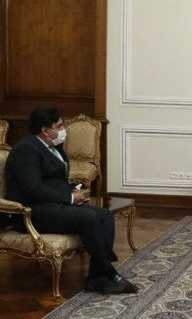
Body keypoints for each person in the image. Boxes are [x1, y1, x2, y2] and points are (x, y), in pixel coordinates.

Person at [5, 108, 138, 294]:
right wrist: (69, 198)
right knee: (89, 218)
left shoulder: (52, 146)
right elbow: (33, 189)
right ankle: (109, 272)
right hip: (31, 212)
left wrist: (72, 191)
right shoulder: (26, 150)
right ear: (45, 130)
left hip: (53, 205)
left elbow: (54, 179)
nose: (63, 130)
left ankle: (95, 277)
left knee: (105, 216)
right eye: (59, 126)